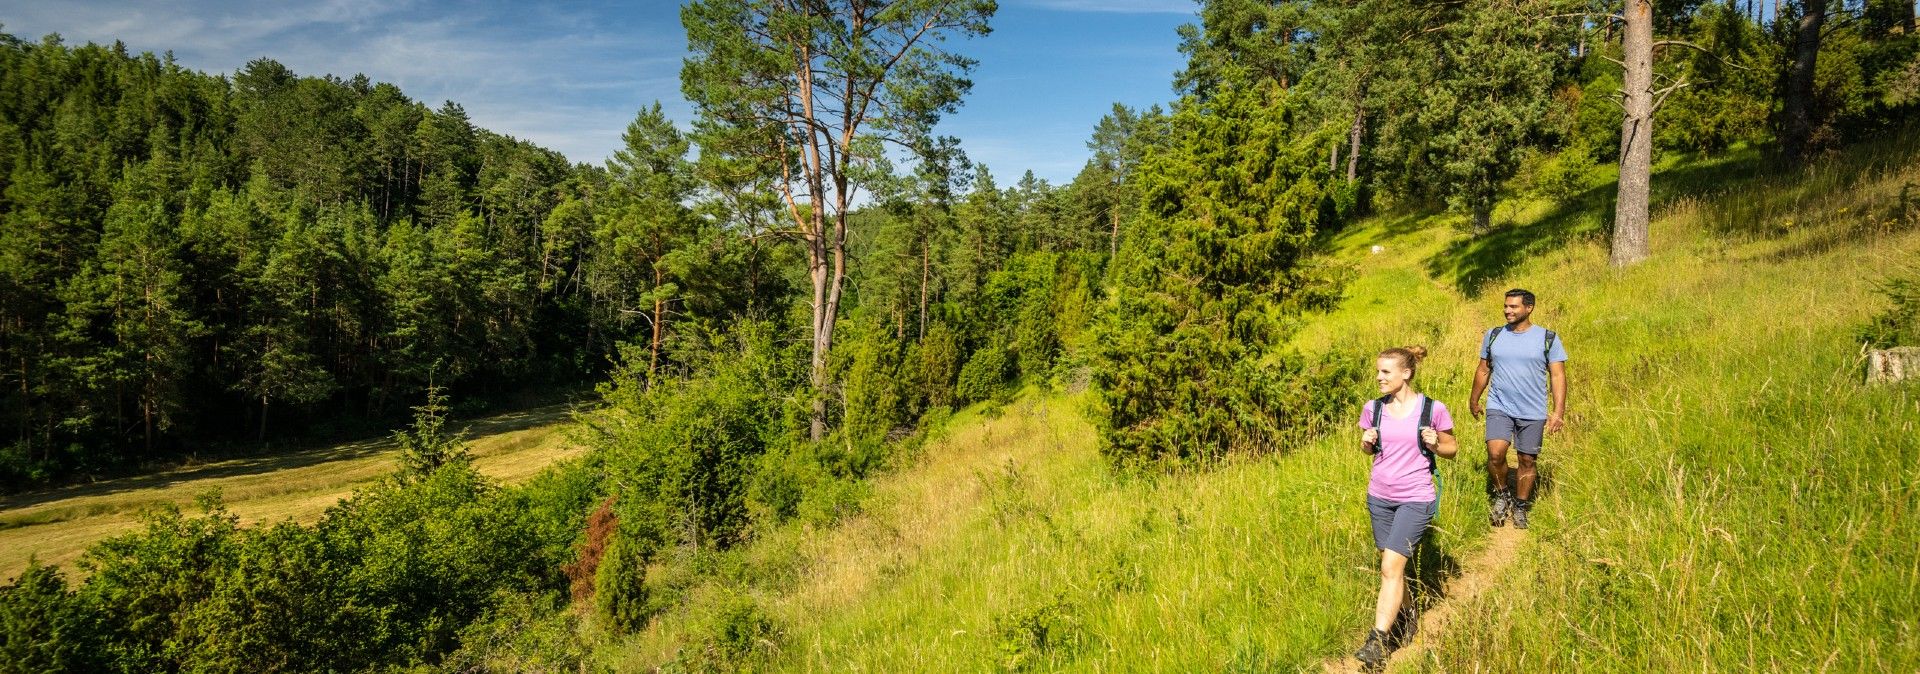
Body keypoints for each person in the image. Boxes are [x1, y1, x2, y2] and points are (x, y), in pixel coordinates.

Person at [1353, 346, 1457, 670]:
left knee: (1389, 567)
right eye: (1378, 371)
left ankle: (1378, 640)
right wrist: (1366, 443)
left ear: (1406, 374)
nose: (1379, 377)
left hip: (1416, 497)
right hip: (1380, 497)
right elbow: (1368, 450)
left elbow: (1452, 448)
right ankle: (1408, 615)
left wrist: (1436, 444)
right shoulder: (1373, 409)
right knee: (1393, 568)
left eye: (1385, 372)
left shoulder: (1432, 409)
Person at [1468, 288, 1569, 531]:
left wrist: (1558, 412)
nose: (1507, 310)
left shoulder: (1548, 338)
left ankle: (1521, 505)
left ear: (1529, 308)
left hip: (1532, 410)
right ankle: (1503, 495)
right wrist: (1474, 399)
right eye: (1506, 306)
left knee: (1526, 459)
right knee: (1495, 454)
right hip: (1499, 405)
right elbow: (1483, 369)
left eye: (1513, 307)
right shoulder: (1493, 335)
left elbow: (1558, 376)